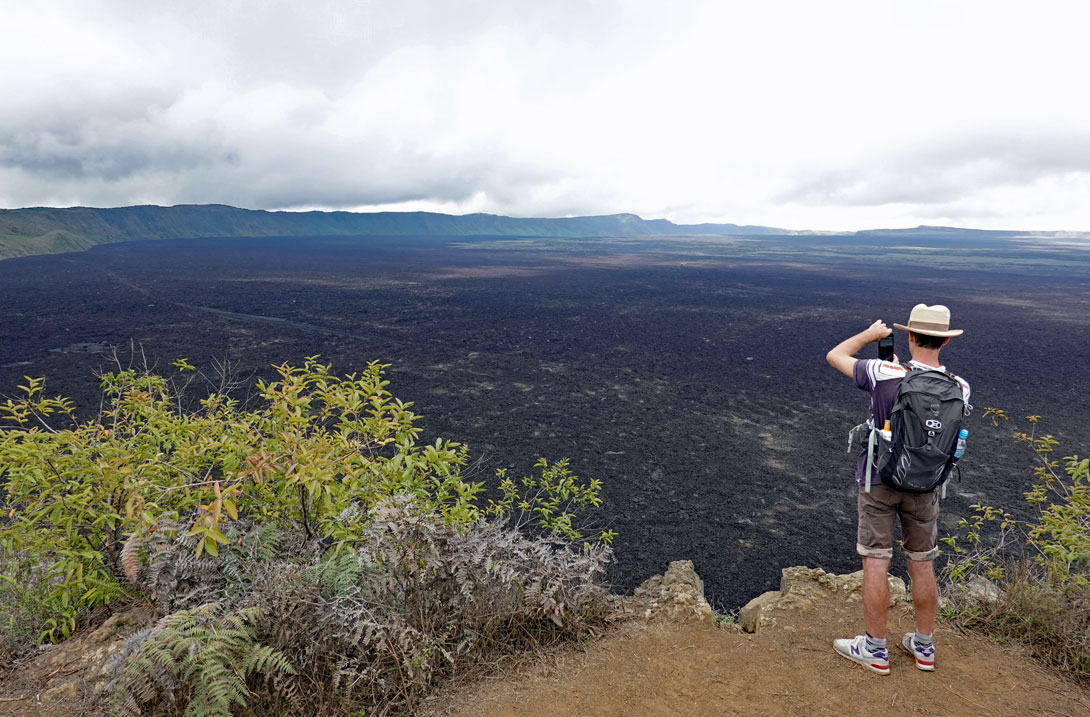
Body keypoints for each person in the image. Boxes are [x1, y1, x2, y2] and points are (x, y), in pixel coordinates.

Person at [825, 304, 970, 675]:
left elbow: (835, 356)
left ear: (909, 336)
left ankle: (874, 649)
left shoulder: (883, 371)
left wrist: (871, 336)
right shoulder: (962, 389)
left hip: (879, 480)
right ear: (944, 341)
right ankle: (924, 647)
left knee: (876, 559)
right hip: (927, 486)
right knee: (922, 563)